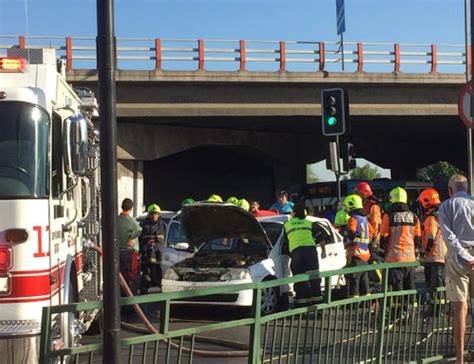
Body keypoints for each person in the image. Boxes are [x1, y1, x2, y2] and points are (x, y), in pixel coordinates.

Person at [438, 175, 474, 363]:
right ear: (467, 188)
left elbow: (448, 236)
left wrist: (465, 256)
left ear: (451, 190)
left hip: (458, 259)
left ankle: (460, 358)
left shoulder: (446, 206)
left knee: (460, 307)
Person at [284, 204, 326, 307]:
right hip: (310, 252)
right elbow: (321, 238)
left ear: (294, 213)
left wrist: (289, 254)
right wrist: (323, 251)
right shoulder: (309, 223)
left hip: (297, 253)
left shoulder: (287, 224)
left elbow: (285, 242)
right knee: (314, 278)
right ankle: (318, 304)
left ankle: (302, 304)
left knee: (300, 279)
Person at [380, 187, 421, 291]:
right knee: (410, 286)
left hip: (395, 259)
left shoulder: (389, 216)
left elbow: (383, 237)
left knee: (397, 288)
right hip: (410, 259)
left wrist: (382, 252)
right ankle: (413, 305)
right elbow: (418, 238)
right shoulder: (414, 216)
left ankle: (399, 307)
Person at [344, 194, 373, 297]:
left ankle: (354, 301)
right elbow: (371, 232)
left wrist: (348, 241)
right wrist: (366, 241)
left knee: (354, 279)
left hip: (355, 254)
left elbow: (351, 232)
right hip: (365, 254)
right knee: (364, 278)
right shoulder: (365, 219)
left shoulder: (353, 219)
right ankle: (367, 301)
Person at [417, 188, 447, 291]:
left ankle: (436, 304)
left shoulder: (431, 218)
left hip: (433, 255)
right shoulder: (443, 215)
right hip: (442, 254)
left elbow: (430, 237)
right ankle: (441, 302)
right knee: (441, 279)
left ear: (426, 201)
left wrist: (424, 251)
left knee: (433, 282)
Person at [138, 203, 166, 294]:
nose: (154, 216)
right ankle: (143, 291)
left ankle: (162, 291)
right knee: (145, 274)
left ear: (159, 214)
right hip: (146, 255)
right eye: (152, 213)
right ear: (149, 214)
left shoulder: (162, 225)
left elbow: (163, 241)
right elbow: (139, 240)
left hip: (158, 255)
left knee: (159, 274)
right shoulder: (142, 225)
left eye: (156, 213)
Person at [117, 198, 143, 295]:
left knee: (119, 276)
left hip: (117, 252)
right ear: (131, 208)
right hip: (128, 253)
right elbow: (139, 230)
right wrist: (131, 238)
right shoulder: (131, 220)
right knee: (130, 276)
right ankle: (129, 297)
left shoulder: (116, 220)